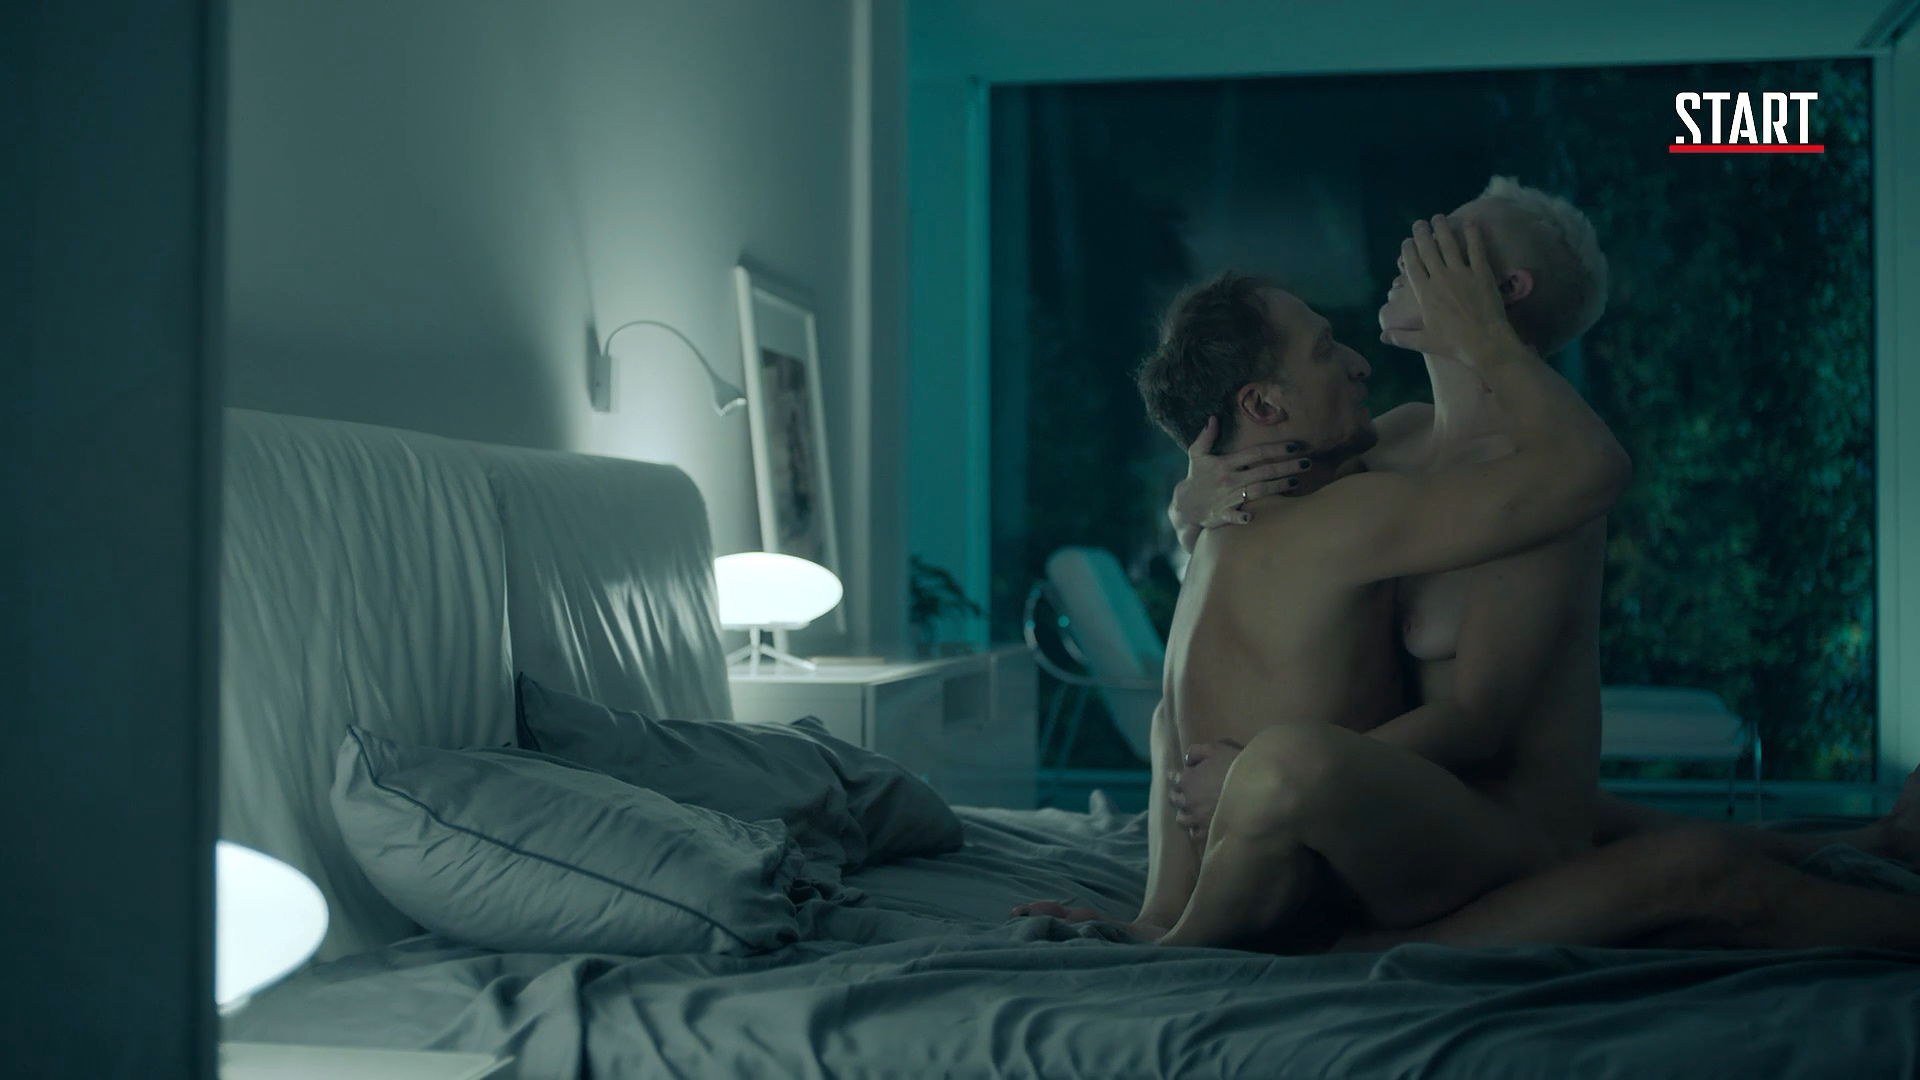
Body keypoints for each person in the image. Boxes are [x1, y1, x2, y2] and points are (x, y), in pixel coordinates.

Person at [1021, 214, 1633, 951]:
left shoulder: (1535, 479)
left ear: (1501, 290)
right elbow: (1268, 571)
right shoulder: (1392, 443)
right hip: (1392, 811)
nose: (1412, 251)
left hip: (1488, 823)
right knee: (1175, 725)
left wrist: (1257, 785)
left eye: (1443, 254)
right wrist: (1191, 501)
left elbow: (1480, 718)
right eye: (1323, 348)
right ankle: (1163, 917)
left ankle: (1178, 942)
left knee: (1285, 764)